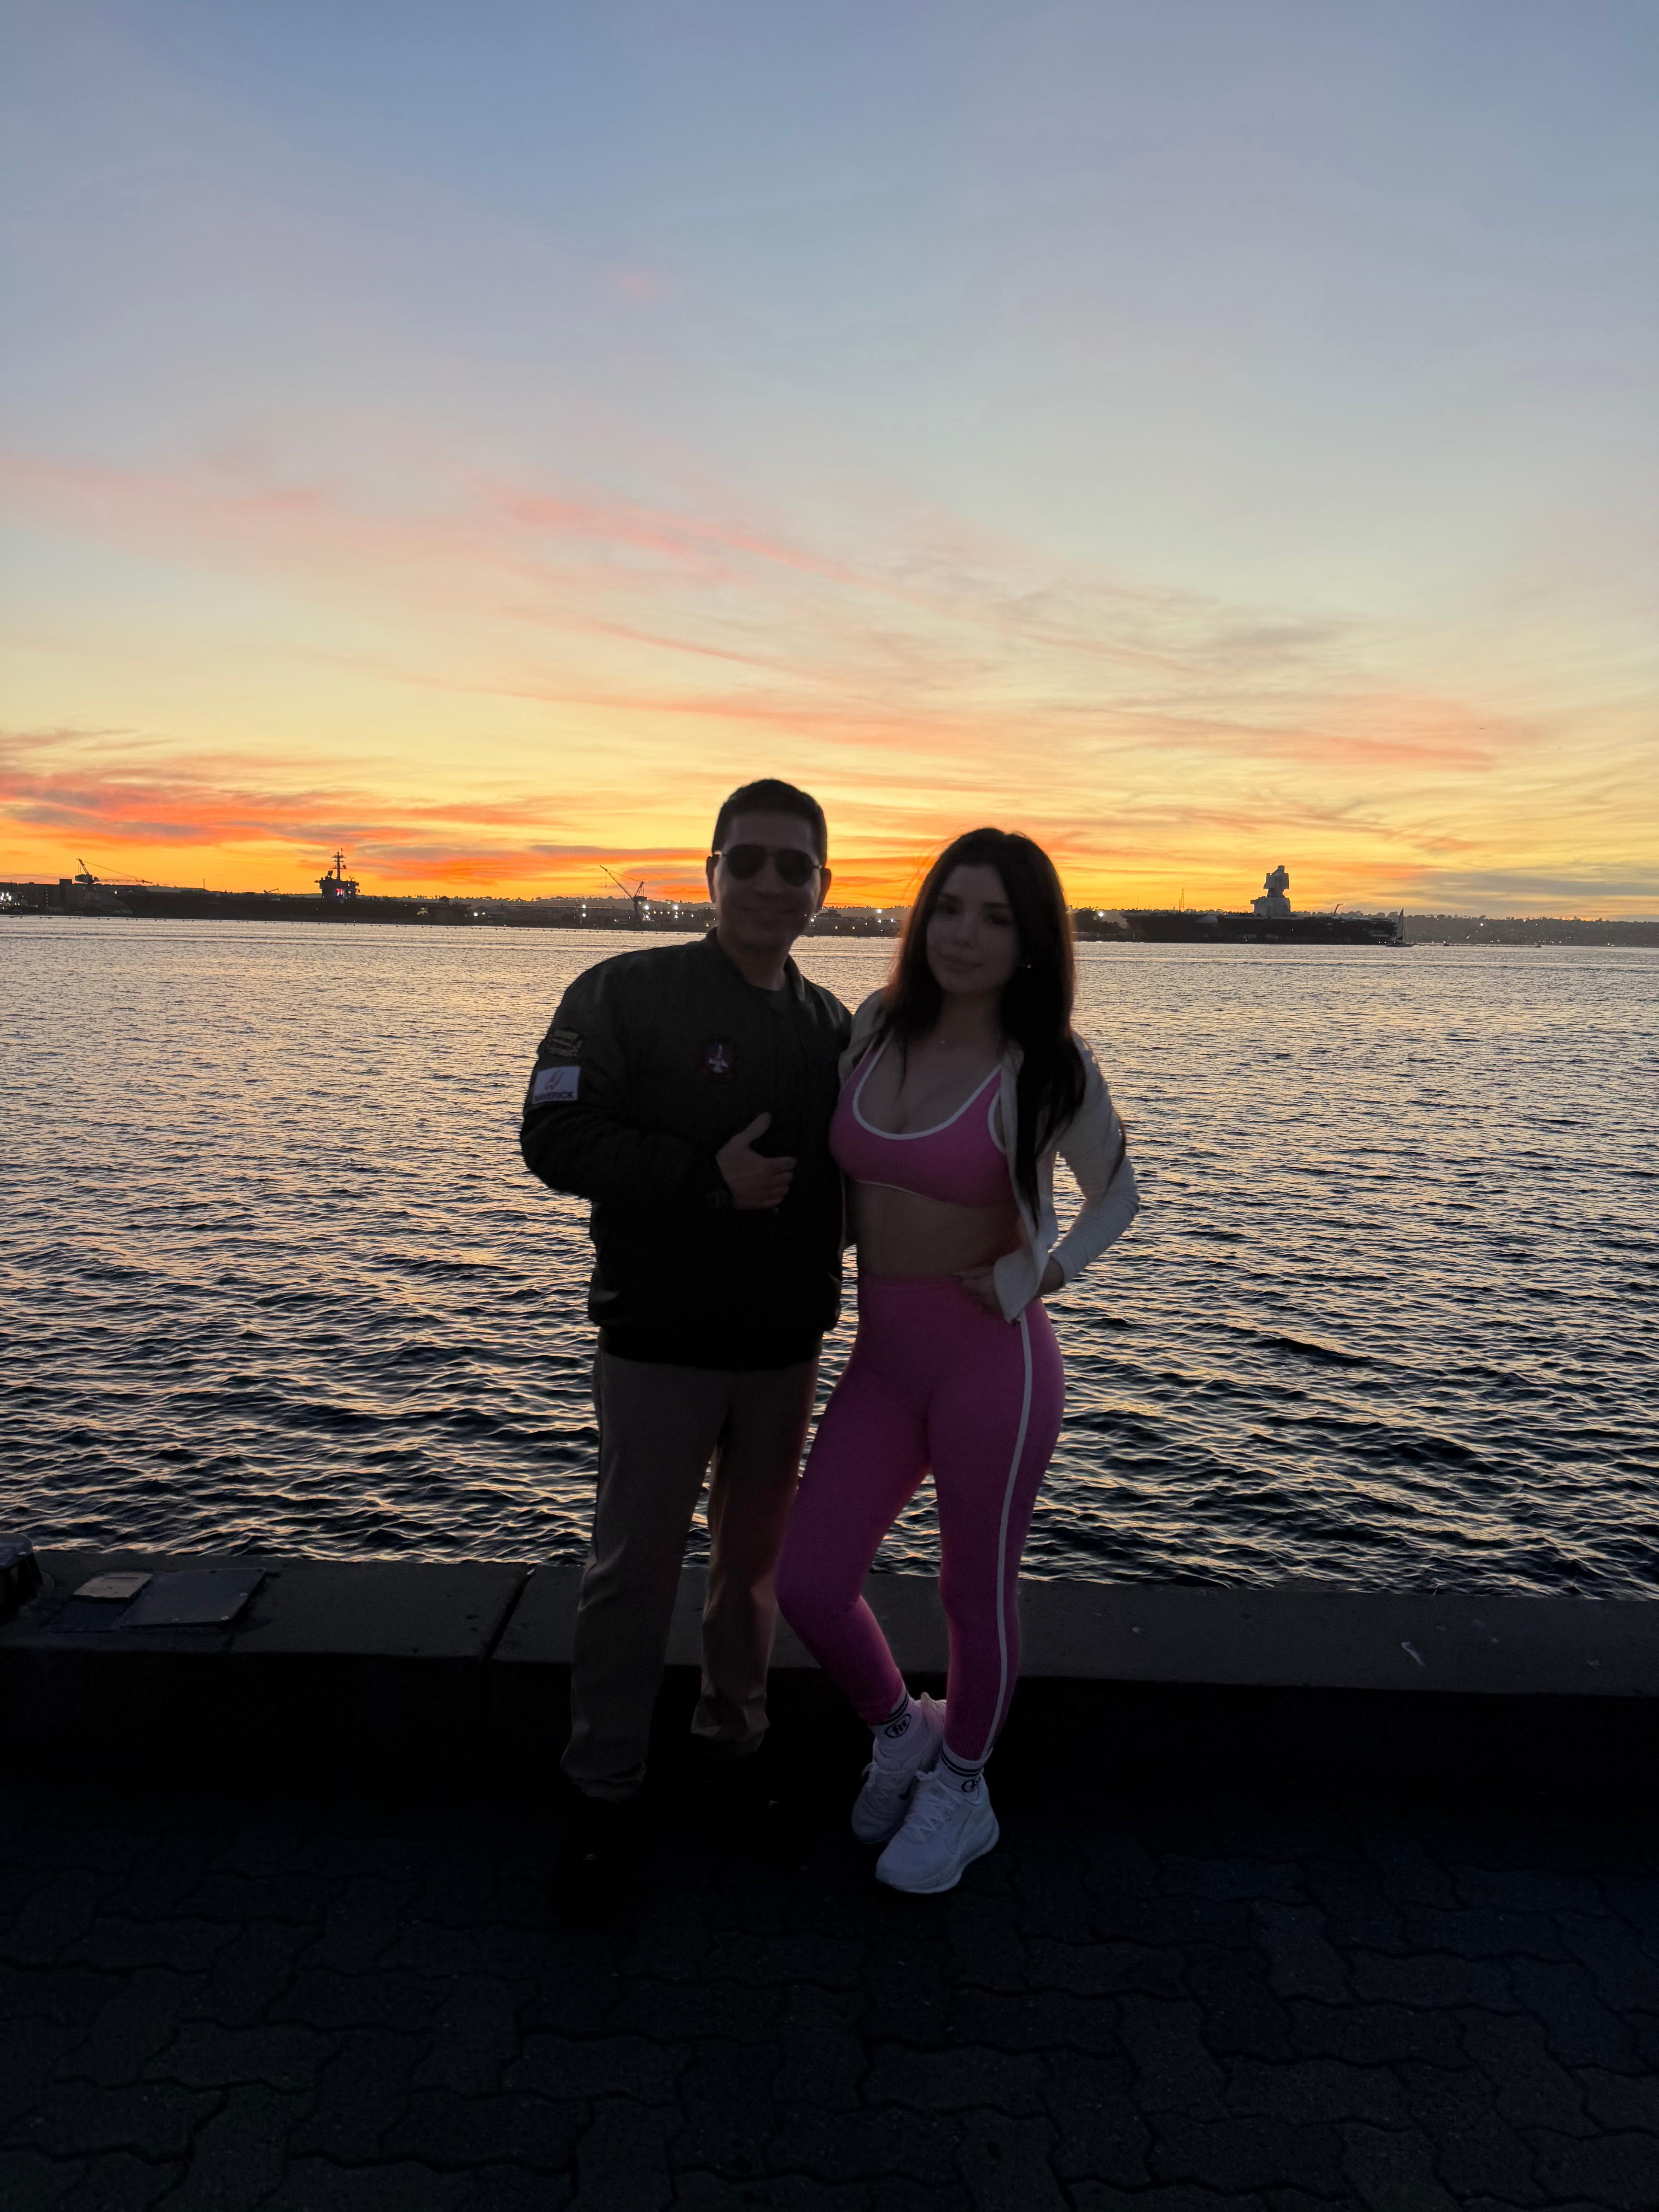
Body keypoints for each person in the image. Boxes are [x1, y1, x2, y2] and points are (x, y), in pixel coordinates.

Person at [776, 827, 1138, 1894]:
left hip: (996, 1365)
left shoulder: (1048, 1063)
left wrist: (1050, 1272)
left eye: (995, 917)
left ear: (1032, 941)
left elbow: (1119, 1194)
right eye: (948, 908)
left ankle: (965, 1784)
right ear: (920, 917)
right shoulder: (879, 1025)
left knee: (972, 1593)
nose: (964, 934)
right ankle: (901, 1726)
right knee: (807, 1578)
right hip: (884, 1357)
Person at [521, 779, 849, 1912]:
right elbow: (555, 1134)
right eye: (746, 860)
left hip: (783, 1350)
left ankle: (734, 1746)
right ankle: (604, 1790)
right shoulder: (623, 992)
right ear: (709, 874)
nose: (769, 882)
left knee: (751, 1571)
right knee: (633, 1572)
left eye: (792, 865)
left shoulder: (832, 1027)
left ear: (822, 886)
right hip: (658, 1342)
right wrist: (703, 1179)